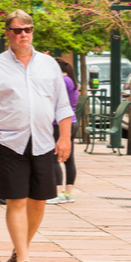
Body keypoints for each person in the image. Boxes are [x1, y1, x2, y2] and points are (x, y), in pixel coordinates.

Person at [0, 10, 73, 262]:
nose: (23, 34)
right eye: (17, 30)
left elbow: (62, 105)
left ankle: (19, 251)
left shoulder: (49, 65)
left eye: (27, 29)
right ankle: (25, 260)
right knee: (16, 200)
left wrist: (65, 138)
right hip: (9, 143)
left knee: (39, 202)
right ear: (8, 34)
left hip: (42, 142)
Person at [47, 58, 80, 205]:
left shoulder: (63, 82)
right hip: (72, 122)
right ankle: (68, 193)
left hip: (59, 123)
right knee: (69, 159)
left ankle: (57, 193)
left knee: (55, 158)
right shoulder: (71, 81)